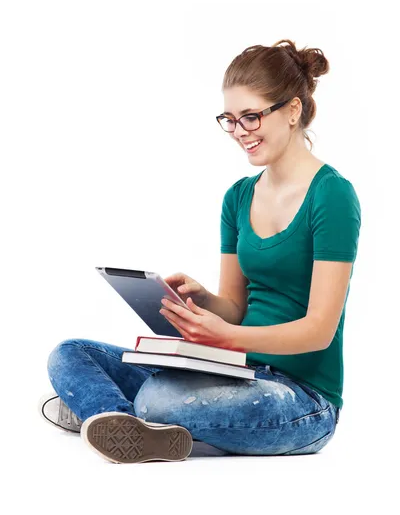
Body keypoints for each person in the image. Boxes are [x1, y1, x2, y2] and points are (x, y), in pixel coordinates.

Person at [39, 39, 361, 464]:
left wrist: (226, 336)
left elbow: (319, 329)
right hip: (234, 372)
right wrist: (203, 302)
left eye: (251, 116)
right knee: (70, 353)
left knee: (160, 398)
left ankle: (108, 411)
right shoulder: (238, 198)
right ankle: (118, 421)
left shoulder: (332, 196)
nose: (240, 131)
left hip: (300, 400)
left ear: (293, 110)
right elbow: (235, 307)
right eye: (230, 119)